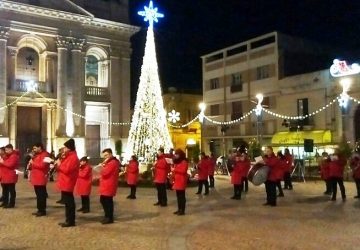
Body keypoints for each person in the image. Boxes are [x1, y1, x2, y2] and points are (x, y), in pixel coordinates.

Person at [56, 139, 79, 227]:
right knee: (67, 202)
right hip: (65, 181)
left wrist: (59, 165)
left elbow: (67, 170)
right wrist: (58, 165)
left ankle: (70, 221)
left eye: (65, 147)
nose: (64, 149)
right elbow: (63, 168)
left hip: (68, 181)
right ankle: (68, 219)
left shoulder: (73, 157)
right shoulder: (68, 156)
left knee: (69, 203)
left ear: (69, 148)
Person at [28, 143, 50, 216]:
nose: (33, 150)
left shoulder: (45, 155)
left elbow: (42, 165)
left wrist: (33, 163)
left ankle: (42, 210)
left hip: (41, 177)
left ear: (39, 147)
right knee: (38, 195)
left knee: (41, 195)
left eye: (35, 148)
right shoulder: (36, 155)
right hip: (36, 177)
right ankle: (39, 209)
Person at [98, 148, 120, 224]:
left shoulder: (113, 162)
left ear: (110, 154)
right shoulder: (109, 162)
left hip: (109, 184)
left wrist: (101, 167)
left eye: (106, 155)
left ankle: (109, 217)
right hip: (106, 184)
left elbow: (105, 172)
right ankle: (107, 216)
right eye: (104, 156)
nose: (105, 157)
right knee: (104, 200)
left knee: (107, 201)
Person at [0, 144, 20, 208]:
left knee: (11, 190)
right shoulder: (7, 156)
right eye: (5, 150)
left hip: (11, 175)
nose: (5, 151)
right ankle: (5, 202)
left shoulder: (14, 156)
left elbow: (10, 165)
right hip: (5, 175)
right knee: (5, 190)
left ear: (10, 149)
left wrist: (2, 162)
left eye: (6, 150)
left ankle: (11, 203)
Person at [172, 149, 188, 215]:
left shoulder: (184, 162)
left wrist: (175, 169)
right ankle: (179, 209)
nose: (176, 155)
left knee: (181, 196)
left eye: (177, 154)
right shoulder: (177, 162)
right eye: (175, 154)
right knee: (178, 196)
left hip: (181, 180)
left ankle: (182, 210)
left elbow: (183, 170)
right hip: (177, 180)